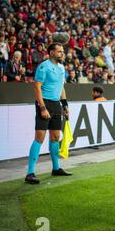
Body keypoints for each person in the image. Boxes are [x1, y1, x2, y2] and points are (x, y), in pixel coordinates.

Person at [25, 43, 72, 184]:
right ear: (51, 53)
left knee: (56, 136)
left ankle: (56, 168)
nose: (62, 54)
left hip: (56, 104)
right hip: (44, 103)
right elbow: (37, 88)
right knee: (39, 137)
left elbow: (61, 87)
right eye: (59, 52)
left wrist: (65, 105)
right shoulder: (43, 67)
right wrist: (42, 107)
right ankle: (30, 173)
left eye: (62, 51)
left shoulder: (61, 68)